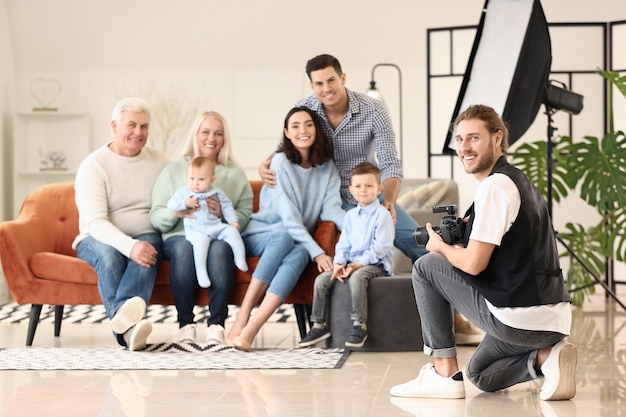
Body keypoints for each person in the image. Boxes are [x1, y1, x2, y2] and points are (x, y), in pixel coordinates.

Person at [259, 53, 482, 344]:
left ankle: (455, 318)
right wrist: (265, 164)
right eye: (318, 83)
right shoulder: (306, 110)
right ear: (312, 86)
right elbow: (286, 147)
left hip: (367, 195)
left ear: (343, 78)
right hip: (325, 200)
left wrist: (387, 202)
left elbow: (390, 163)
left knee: (424, 244)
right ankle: (325, 324)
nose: (326, 88)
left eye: (331, 80)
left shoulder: (372, 110)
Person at [390, 104, 577, 401]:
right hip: (551, 321)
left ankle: (443, 374)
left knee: (427, 265)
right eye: (460, 139)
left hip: (519, 319)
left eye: (474, 138)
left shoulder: (494, 187)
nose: (464, 146)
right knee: (480, 374)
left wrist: (440, 246)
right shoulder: (518, 181)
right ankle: (545, 358)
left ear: (497, 138)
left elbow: (475, 265)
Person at [227, 106, 346, 351]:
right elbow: (290, 221)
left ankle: (252, 328)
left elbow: (331, 211)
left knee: (301, 252)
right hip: (261, 233)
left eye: (308, 124)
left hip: (295, 240)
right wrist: (319, 252)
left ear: (316, 129)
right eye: (295, 126)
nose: (303, 130)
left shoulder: (327, 167)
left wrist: (361, 229)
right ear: (287, 133)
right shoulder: (280, 162)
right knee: (285, 238)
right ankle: (243, 315)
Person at [150, 111, 253, 345]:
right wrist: (176, 213)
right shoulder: (173, 170)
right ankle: (186, 324)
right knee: (185, 248)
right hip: (180, 235)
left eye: (218, 133)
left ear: (225, 139)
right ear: (195, 135)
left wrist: (224, 216)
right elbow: (155, 216)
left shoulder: (234, 173)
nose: (212, 138)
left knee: (219, 249)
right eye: (205, 132)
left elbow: (245, 213)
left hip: (217, 233)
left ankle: (217, 324)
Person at [73, 97, 167, 351]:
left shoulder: (160, 161)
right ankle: (126, 325)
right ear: (114, 126)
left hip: (146, 232)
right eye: (132, 125)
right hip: (96, 238)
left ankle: (127, 330)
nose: (139, 132)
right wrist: (130, 246)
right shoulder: (94, 165)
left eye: (144, 127)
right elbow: (95, 222)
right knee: (110, 256)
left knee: (149, 248)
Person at [299, 162, 394, 349]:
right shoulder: (350, 216)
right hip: (350, 264)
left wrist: (357, 265)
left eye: (369, 186)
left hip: (376, 265)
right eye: (358, 186)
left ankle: (360, 324)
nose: (363, 190)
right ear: (350, 190)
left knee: (357, 278)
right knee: (322, 279)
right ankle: (319, 324)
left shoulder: (382, 215)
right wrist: (339, 263)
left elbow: (381, 248)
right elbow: (344, 244)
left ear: (379, 188)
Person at [167, 156, 248, 288]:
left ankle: (239, 259)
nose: (195, 183)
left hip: (215, 226)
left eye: (201, 179)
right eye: (191, 178)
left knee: (232, 231)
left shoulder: (217, 192)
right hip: (196, 230)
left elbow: (227, 206)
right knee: (201, 243)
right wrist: (184, 203)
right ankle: (201, 272)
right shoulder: (183, 193)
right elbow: (171, 205)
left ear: (212, 180)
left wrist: (233, 220)